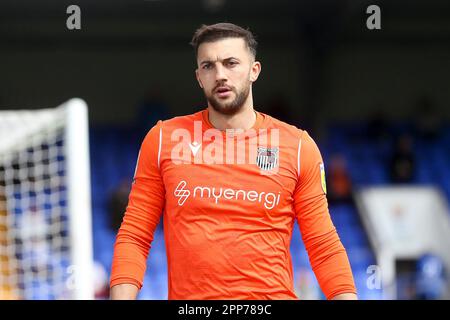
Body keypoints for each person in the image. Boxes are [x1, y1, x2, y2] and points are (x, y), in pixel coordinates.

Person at [110, 22, 357, 300]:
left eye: (230, 63)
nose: (220, 75)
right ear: (198, 77)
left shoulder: (298, 146)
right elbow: (134, 235)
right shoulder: (162, 140)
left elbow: (323, 245)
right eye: (208, 66)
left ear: (254, 71)